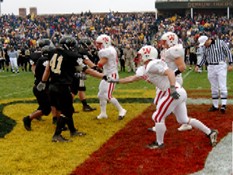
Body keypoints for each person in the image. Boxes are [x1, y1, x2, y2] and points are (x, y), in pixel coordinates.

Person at [108, 45, 218, 149]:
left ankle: (159, 143)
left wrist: (173, 89)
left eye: (141, 55)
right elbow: (132, 78)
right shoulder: (145, 68)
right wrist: (116, 81)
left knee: (157, 116)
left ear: (147, 55)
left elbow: (170, 72)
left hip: (173, 92)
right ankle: (210, 132)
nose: (139, 57)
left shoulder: (152, 65)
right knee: (183, 119)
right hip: (178, 92)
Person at [37, 36, 108, 142]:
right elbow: (87, 70)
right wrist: (103, 76)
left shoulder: (52, 52)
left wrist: (43, 82)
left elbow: (47, 69)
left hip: (52, 85)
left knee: (68, 109)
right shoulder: (71, 55)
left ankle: (73, 130)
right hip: (62, 86)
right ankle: (57, 135)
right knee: (67, 110)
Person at [150, 32, 192, 132]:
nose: (163, 43)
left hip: (173, 80)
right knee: (177, 104)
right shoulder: (167, 50)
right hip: (168, 79)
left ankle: (159, 123)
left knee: (160, 101)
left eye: (164, 41)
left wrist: (171, 75)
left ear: (171, 40)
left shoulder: (174, 50)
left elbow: (182, 67)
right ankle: (185, 122)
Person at [195, 35, 233, 113]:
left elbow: (228, 52)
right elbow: (204, 57)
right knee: (213, 87)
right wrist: (198, 65)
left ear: (208, 40)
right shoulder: (205, 47)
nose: (204, 45)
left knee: (222, 85)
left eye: (204, 43)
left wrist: (231, 63)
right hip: (210, 66)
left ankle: (223, 105)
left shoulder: (220, 43)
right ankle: (215, 106)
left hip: (220, 65)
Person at [23, 39, 54, 130]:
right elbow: (48, 71)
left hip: (40, 85)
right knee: (46, 109)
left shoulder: (41, 58)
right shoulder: (45, 61)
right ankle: (28, 118)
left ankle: (36, 116)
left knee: (47, 104)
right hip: (41, 87)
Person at [95, 34, 127, 120]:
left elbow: (101, 63)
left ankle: (122, 110)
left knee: (107, 95)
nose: (97, 45)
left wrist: (91, 67)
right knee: (101, 94)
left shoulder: (107, 51)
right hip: (107, 74)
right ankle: (103, 113)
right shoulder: (110, 49)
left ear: (105, 42)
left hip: (111, 75)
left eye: (99, 43)